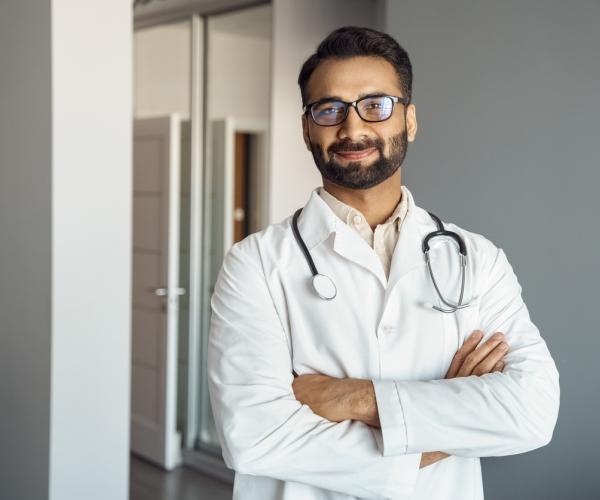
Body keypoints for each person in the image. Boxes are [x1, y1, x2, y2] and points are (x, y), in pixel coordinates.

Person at [207, 26, 559, 500]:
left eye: (376, 105)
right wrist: (452, 412)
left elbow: (532, 412)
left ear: (409, 120)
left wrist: (353, 397)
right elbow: (254, 437)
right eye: (329, 109)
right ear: (307, 128)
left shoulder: (477, 259)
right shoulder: (255, 264)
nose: (352, 129)